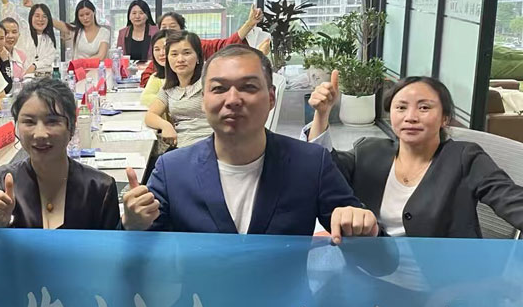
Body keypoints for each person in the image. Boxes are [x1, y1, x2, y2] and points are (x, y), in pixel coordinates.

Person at [123, 44, 379, 242]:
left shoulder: (310, 163)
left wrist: (364, 227)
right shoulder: (172, 170)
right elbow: (135, 255)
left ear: (271, 98)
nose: (233, 100)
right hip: (200, 298)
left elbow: (375, 255)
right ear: (203, 101)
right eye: (219, 89)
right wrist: (132, 224)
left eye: (248, 87)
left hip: (283, 298)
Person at [306, 72, 523, 237]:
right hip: (373, 266)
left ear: (445, 118)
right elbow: (324, 170)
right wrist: (322, 114)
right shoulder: (368, 151)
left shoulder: (464, 157)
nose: (410, 117)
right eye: (401, 108)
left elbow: (511, 200)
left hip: (445, 275)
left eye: (424, 108)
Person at [0, 78, 120, 230]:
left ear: (71, 127)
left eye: (52, 122)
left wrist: (133, 225)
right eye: (29, 122)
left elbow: (112, 243)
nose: (40, 134)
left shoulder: (100, 189)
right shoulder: (1, 184)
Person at [144, 31, 211, 149]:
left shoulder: (209, 82)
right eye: (174, 54)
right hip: (181, 144)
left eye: (187, 53)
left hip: (208, 143)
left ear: (198, 57)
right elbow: (150, 115)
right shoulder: (169, 88)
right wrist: (166, 126)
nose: (180, 59)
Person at [0, 0, 56, 74]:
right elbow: (10, 15)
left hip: (41, 78)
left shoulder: (48, 39)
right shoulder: (24, 30)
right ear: (31, 17)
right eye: (37, 16)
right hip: (19, 77)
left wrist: (35, 66)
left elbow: (49, 59)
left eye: (44, 17)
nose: (40, 20)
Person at [157, 6, 265, 60]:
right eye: (164, 27)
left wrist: (249, 24)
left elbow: (226, 45)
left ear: (182, 29)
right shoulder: (159, 52)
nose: (168, 30)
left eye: (172, 27)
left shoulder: (195, 45)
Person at [2, 17, 31, 81]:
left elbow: (26, 77)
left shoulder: (21, 55)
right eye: (6, 32)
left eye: (14, 32)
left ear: (19, 35)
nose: (10, 36)